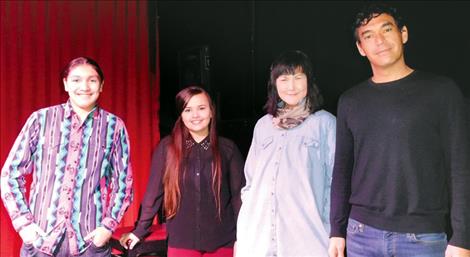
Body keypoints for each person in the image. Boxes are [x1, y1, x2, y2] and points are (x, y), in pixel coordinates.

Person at [329, 3, 470, 257]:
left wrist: (463, 237)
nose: (379, 41)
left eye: (386, 29)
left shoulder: (442, 92)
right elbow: (342, 170)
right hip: (360, 234)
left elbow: (460, 168)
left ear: (403, 33)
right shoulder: (350, 101)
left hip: (423, 238)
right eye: (368, 36)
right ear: (361, 48)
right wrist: (336, 231)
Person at [1, 57, 134, 257]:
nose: (84, 87)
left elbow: (124, 183)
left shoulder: (114, 127)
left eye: (92, 80)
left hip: (90, 244)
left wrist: (107, 227)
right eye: (76, 80)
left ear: (101, 85)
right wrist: (24, 225)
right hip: (41, 241)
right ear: (65, 84)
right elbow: (10, 174)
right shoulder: (41, 120)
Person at [119, 86, 245, 257]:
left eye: (201, 108)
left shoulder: (228, 149)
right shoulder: (167, 148)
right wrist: (140, 230)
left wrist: (245, 235)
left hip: (223, 241)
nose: (195, 115)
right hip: (182, 242)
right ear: (181, 115)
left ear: (211, 112)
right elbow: (154, 193)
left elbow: (239, 197)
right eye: (188, 110)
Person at [236, 50, 336, 257]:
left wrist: (332, 230)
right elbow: (250, 183)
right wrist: (243, 232)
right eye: (284, 79)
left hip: (307, 238)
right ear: (275, 84)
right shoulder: (263, 125)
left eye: (298, 77)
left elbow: (333, 184)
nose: (291, 86)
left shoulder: (324, 123)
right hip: (258, 239)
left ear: (309, 81)